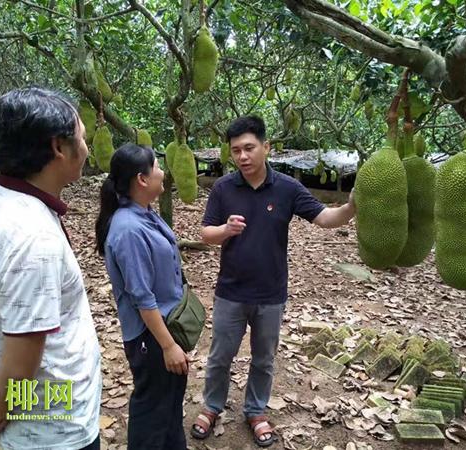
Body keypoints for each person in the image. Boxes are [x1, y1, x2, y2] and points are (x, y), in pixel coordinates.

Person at [191, 116, 356, 447]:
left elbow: (324, 218)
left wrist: (352, 207)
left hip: (270, 293)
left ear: (266, 147)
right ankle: (212, 406)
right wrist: (225, 231)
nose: (243, 156)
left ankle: (255, 410)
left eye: (249, 148)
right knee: (220, 356)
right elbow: (206, 233)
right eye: (236, 150)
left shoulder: (287, 188)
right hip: (231, 292)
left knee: (263, 359)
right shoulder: (223, 188)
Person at [0, 87, 102, 450]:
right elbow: (21, 365)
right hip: (56, 432)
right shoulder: (32, 238)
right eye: (83, 138)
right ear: (59, 147)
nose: (86, 149)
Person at [95, 143, 189, 450]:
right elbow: (142, 298)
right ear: (142, 179)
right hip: (153, 338)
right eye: (157, 166)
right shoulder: (128, 230)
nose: (163, 171)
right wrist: (169, 345)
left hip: (167, 328)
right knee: (152, 412)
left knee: (171, 405)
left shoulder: (145, 214)